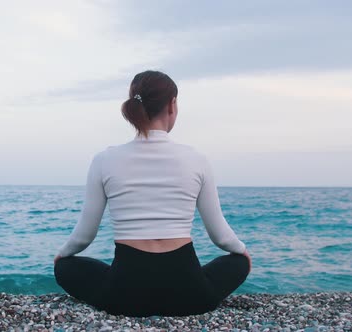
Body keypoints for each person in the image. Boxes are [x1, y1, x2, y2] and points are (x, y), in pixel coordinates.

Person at [54, 70, 251, 317]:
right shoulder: (197, 160)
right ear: (172, 105)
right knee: (238, 262)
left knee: (65, 268)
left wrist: (61, 256)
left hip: (123, 296)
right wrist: (242, 252)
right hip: (191, 295)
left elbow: (84, 236)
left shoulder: (104, 160)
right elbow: (220, 236)